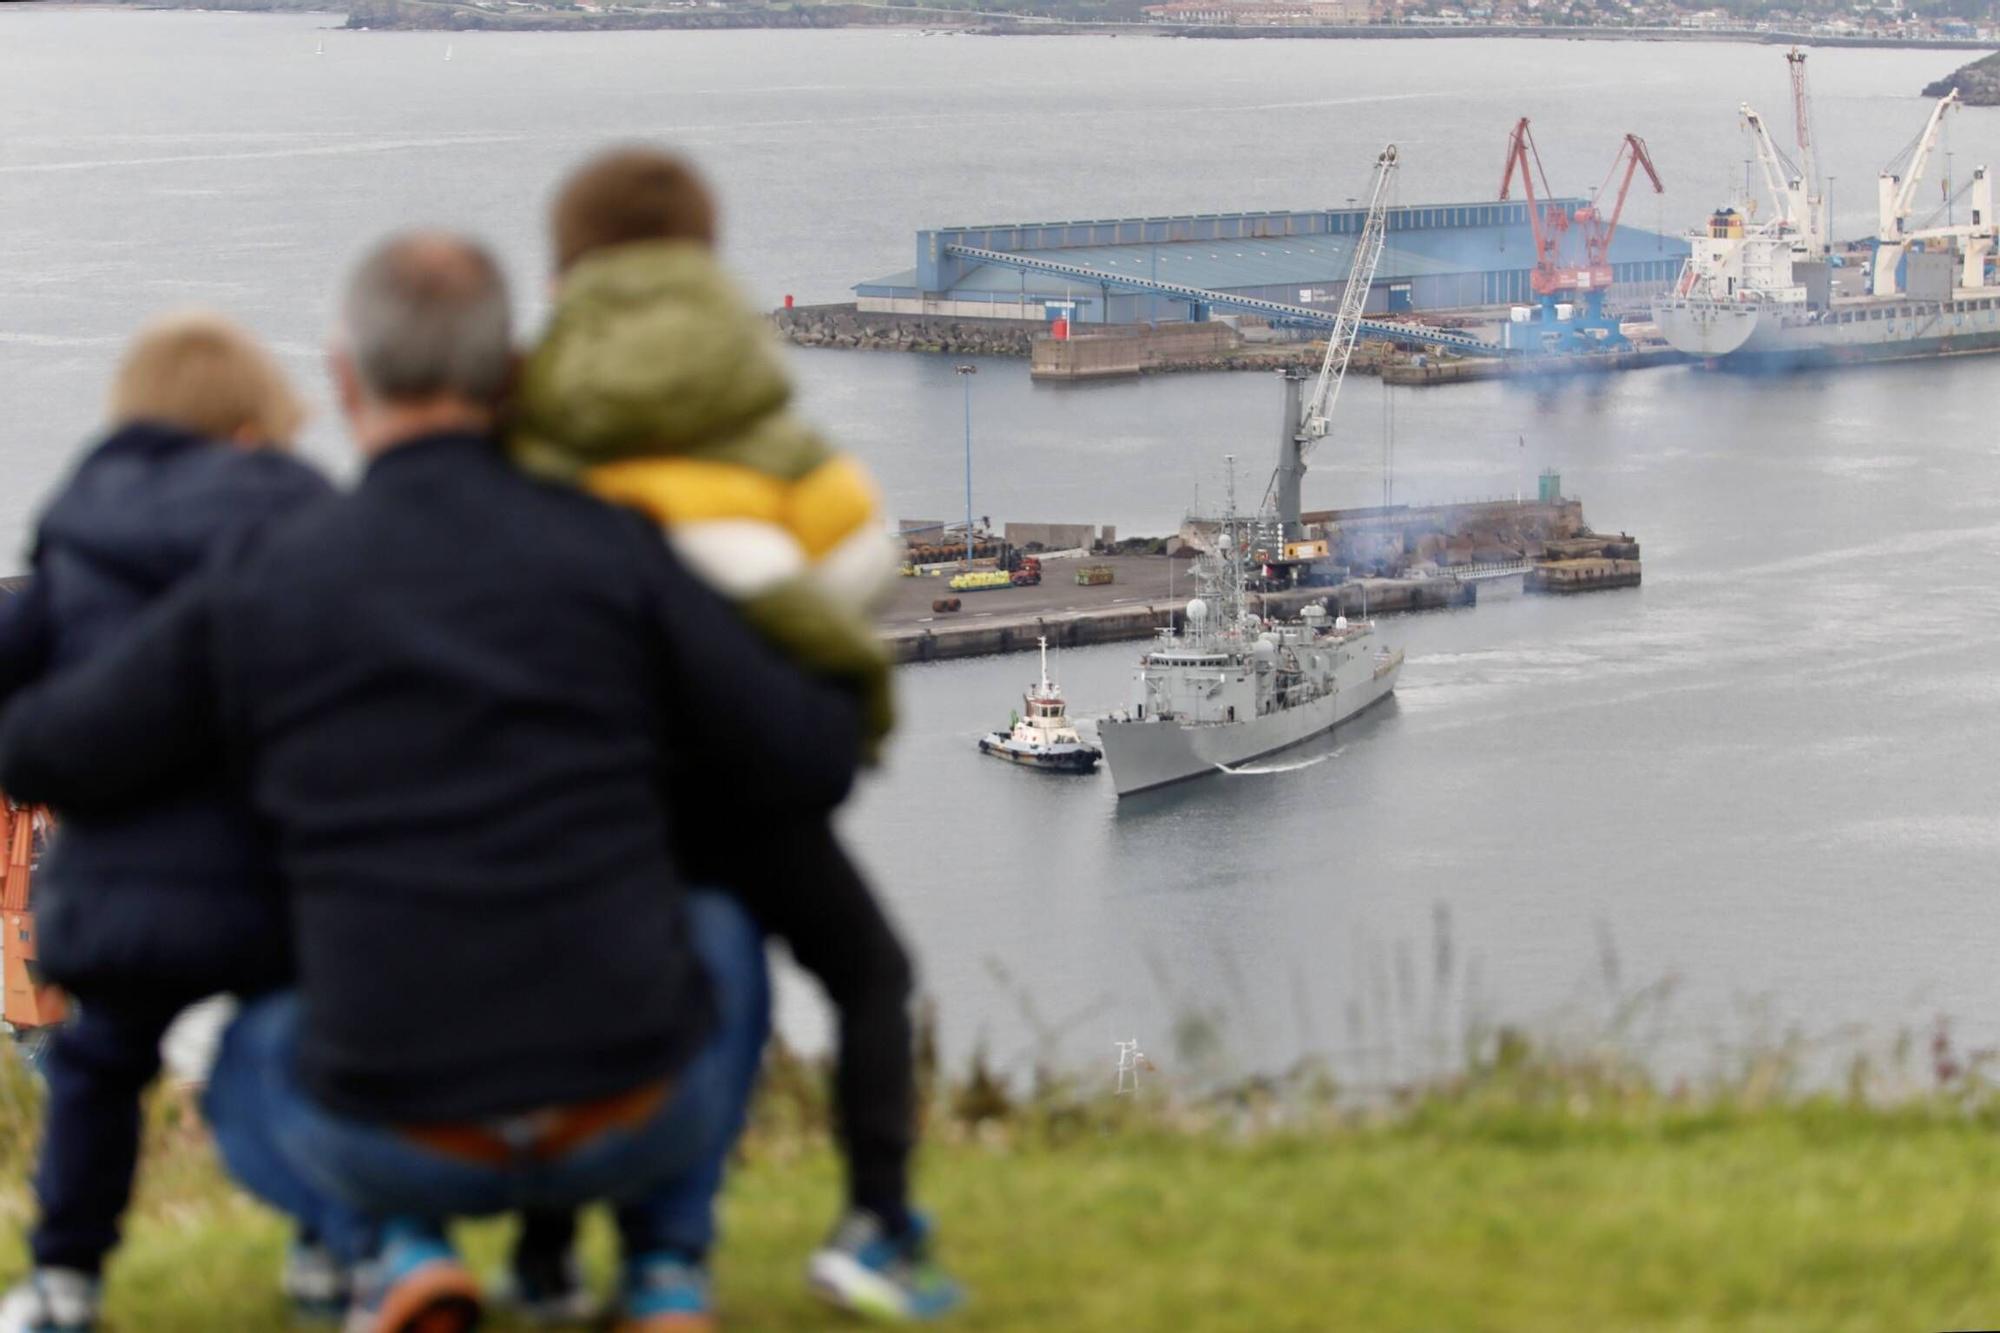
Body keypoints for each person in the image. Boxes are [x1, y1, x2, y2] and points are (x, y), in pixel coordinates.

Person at [0, 232, 865, 1333]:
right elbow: (808, 751)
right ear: (511, 377)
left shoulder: (273, 578)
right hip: (630, 1111)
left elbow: (50, 751)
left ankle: (393, 1250)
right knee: (720, 919)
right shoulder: (617, 552)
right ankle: (660, 1265)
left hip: (388, 1129)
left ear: (346, 379)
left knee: (261, 1029)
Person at [504, 146, 958, 1321]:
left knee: (571, 994)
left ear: (564, 267)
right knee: (867, 973)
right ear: (704, 255)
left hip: (582, 765)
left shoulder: (536, 392)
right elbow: (863, 549)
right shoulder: (736, 376)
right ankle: (872, 1219)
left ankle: (548, 1251)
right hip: (740, 764)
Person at [0, 314, 342, 1333]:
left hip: (116, 895)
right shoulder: (310, 533)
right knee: (302, 1056)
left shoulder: (82, 539)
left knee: (98, 1072)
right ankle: (327, 1255)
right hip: (275, 884)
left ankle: (66, 1276)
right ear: (258, 428)